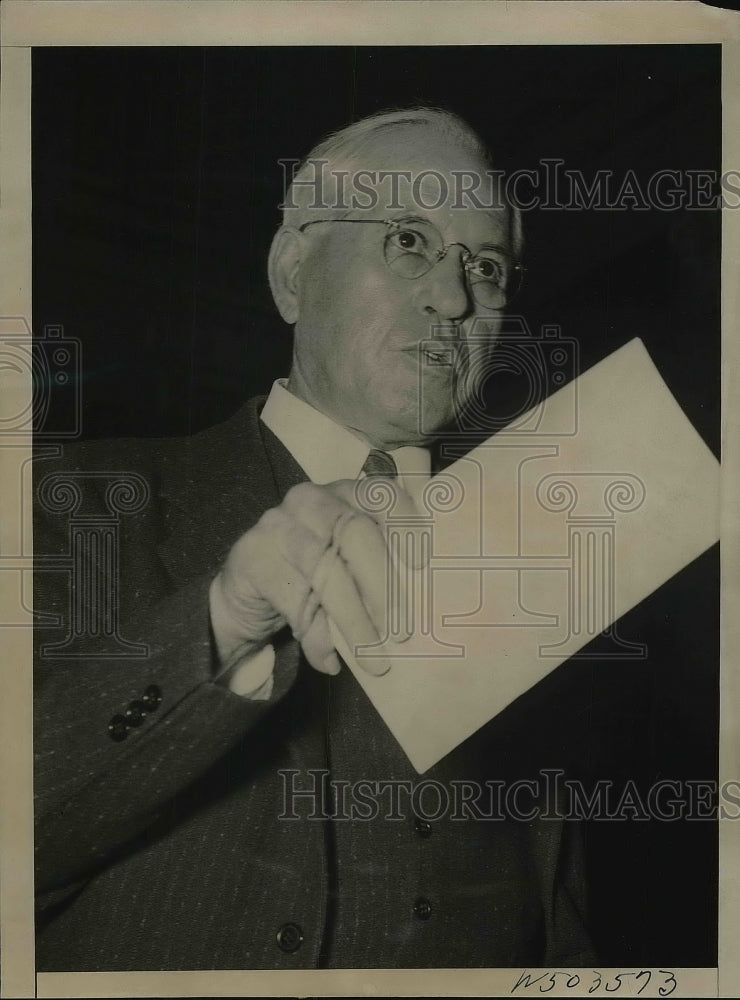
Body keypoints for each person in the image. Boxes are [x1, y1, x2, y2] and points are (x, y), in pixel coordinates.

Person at [33, 107, 594, 971]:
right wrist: (220, 622)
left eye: (484, 267)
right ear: (293, 272)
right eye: (408, 239)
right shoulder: (77, 501)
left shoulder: (534, 567)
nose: (453, 299)